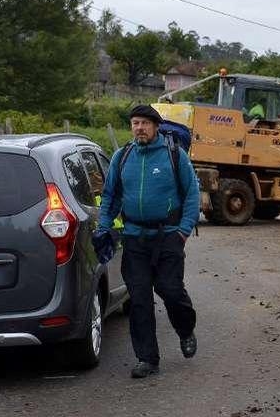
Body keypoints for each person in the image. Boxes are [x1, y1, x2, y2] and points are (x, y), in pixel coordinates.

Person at [99, 105, 200, 379]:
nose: (139, 128)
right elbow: (110, 196)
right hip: (135, 239)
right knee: (140, 300)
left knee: (170, 290)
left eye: (144, 122)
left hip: (168, 236)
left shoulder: (173, 155)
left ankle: (185, 328)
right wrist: (103, 227)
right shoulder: (122, 157)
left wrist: (183, 231)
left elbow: (192, 194)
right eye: (134, 123)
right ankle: (147, 358)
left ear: (156, 126)